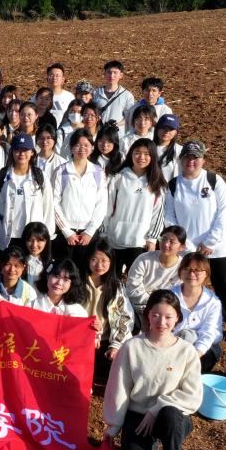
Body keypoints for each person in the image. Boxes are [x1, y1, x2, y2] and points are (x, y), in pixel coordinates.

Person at [103, 290, 202, 450]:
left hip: (171, 415)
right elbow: (119, 389)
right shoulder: (132, 347)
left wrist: (156, 409)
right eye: (155, 315)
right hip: (138, 414)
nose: (161, 322)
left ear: (177, 318)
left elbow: (192, 395)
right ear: (147, 315)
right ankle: (151, 446)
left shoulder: (186, 351)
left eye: (168, 317)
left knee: (171, 416)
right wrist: (113, 427)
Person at [164, 140, 226, 337]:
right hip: (189, 250)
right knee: (188, 287)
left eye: (196, 158)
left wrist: (210, 242)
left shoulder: (214, 180)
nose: (191, 161)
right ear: (181, 159)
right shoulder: (174, 185)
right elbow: (170, 217)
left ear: (203, 160)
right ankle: (185, 330)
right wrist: (188, 246)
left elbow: (224, 213)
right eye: (187, 157)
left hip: (217, 248)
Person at [104, 136, 168, 279]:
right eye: (137, 153)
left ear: (153, 156)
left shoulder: (156, 183)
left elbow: (158, 214)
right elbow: (106, 207)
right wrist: (104, 234)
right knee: (111, 281)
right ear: (131, 154)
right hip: (115, 239)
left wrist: (152, 239)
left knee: (136, 281)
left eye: (146, 154)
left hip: (140, 242)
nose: (141, 157)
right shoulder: (118, 177)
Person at [0, 135, 53, 254]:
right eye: (17, 150)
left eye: (25, 150)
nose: (21, 154)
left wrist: (48, 234)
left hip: (32, 239)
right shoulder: (1, 177)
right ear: (12, 152)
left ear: (32, 152)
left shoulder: (40, 177)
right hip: (7, 237)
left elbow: (48, 207)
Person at [52, 130, 108, 272]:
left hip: (88, 235)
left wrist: (90, 231)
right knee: (64, 273)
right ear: (71, 147)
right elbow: (53, 202)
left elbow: (102, 204)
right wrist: (66, 231)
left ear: (92, 147)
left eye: (86, 145)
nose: (82, 149)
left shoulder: (98, 172)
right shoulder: (61, 171)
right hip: (65, 234)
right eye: (77, 145)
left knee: (85, 273)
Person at [84, 244, 135, 382]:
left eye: (104, 260)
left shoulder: (116, 286)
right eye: (94, 259)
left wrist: (115, 345)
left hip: (105, 340)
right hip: (79, 339)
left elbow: (124, 316)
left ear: (111, 262)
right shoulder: (77, 283)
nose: (99, 265)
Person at [172, 252, 223, 373]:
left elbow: (208, 334)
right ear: (180, 272)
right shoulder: (169, 295)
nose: (191, 274)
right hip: (173, 343)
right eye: (187, 269)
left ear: (206, 274)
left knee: (209, 353)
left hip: (201, 349)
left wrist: (192, 358)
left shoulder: (213, 302)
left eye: (197, 270)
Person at [123, 225, 186, 315]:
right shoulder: (144, 259)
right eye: (163, 239)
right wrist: (154, 303)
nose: (166, 244)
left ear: (182, 247)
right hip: (137, 308)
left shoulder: (183, 268)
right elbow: (132, 288)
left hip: (167, 312)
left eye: (172, 242)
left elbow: (180, 295)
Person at [90, 60, 135, 128]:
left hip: (118, 133)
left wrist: (116, 125)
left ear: (121, 75)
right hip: (99, 132)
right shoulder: (95, 93)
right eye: (109, 72)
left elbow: (129, 117)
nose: (111, 75)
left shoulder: (127, 96)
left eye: (115, 73)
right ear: (104, 74)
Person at [21, 222, 52, 286]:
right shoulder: (18, 261)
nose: (34, 245)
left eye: (39, 240)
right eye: (30, 240)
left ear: (46, 241)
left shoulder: (51, 264)